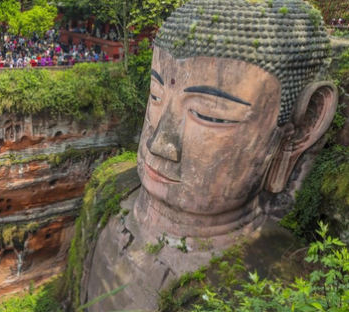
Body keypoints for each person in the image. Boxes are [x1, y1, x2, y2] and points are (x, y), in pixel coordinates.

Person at [83, 0, 338, 310]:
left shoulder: (257, 297)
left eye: (209, 115)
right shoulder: (107, 198)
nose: (158, 144)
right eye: (155, 95)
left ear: (303, 128)